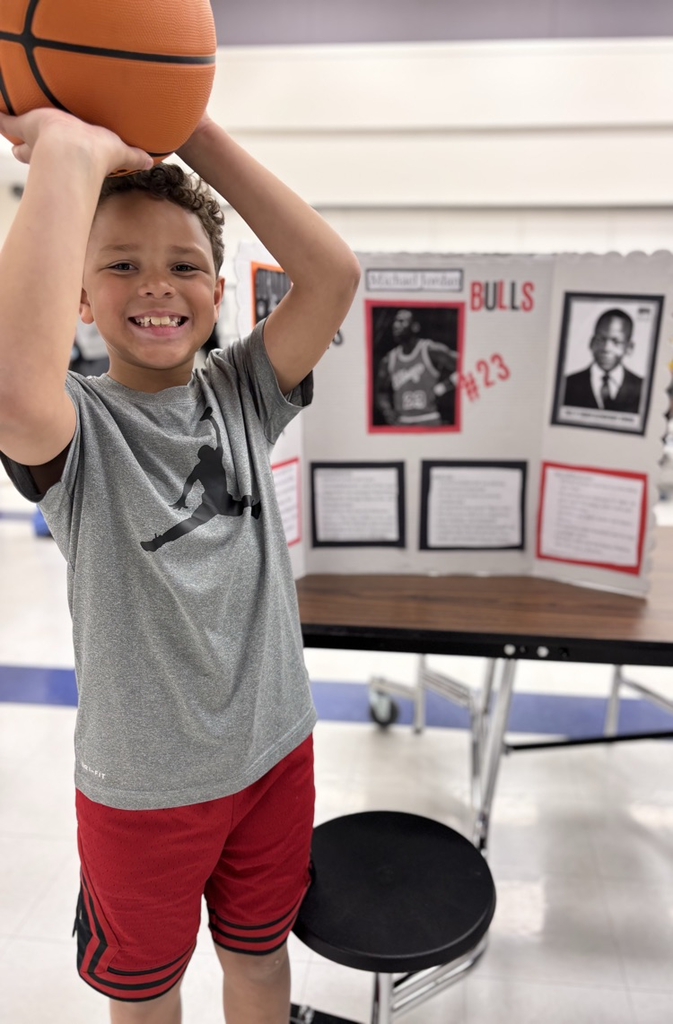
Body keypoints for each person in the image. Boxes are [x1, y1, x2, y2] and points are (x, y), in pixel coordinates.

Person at [0, 106, 360, 1024]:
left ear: (217, 290)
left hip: (273, 753)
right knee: (147, 988)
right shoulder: (78, 427)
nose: (155, 285)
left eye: (184, 264)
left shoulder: (243, 392)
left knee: (259, 960)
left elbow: (332, 274)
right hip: (143, 793)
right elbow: (12, 386)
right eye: (119, 264)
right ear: (78, 299)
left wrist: (185, 126)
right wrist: (72, 159)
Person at [375, 308, 458, 426]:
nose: (396, 325)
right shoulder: (389, 359)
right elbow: (381, 391)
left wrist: (443, 387)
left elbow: (465, 364)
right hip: (403, 421)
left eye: (402, 321)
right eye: (395, 321)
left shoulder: (430, 350)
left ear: (415, 327)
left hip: (429, 419)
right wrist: (387, 411)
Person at [562, 308, 643, 414]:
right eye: (600, 339)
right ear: (591, 342)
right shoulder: (567, 384)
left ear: (629, 347)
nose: (606, 348)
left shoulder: (642, 388)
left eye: (616, 341)